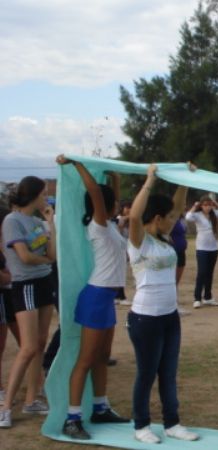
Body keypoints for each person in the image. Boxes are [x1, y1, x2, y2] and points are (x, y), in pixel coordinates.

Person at [55, 156, 130, 440]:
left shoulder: (109, 224)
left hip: (106, 298)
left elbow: (110, 194)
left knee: (102, 357)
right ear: (104, 207)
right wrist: (77, 163)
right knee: (85, 360)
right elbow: (97, 193)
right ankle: (72, 419)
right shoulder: (98, 224)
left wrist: (115, 177)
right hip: (96, 296)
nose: (118, 206)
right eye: (115, 203)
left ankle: (100, 407)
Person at [126, 163, 199, 443]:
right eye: (168, 217)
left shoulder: (164, 238)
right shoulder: (139, 241)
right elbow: (134, 217)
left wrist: (184, 179)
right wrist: (149, 180)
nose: (175, 220)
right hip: (145, 318)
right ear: (156, 218)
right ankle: (141, 425)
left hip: (169, 316)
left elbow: (178, 206)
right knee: (147, 374)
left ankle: (172, 423)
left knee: (168, 373)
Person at [0, 176, 57, 428]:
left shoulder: (37, 222)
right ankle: (5, 408)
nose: (46, 197)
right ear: (34, 194)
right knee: (28, 347)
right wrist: (46, 261)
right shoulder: (12, 221)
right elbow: (24, 257)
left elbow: (52, 253)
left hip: (45, 283)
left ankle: (33, 399)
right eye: (43, 193)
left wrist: (51, 224)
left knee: (41, 342)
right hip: (26, 286)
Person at [185, 195, 218, 308]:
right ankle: (197, 298)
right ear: (201, 205)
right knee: (202, 272)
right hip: (202, 248)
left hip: (214, 247)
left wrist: (216, 204)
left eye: (209, 205)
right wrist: (194, 206)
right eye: (205, 205)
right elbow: (188, 217)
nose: (207, 207)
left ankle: (208, 297)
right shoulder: (197, 215)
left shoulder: (214, 213)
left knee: (209, 273)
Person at [0, 207, 21, 406]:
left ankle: (35, 386)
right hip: (7, 293)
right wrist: (12, 276)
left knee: (26, 343)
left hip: (12, 294)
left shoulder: (9, 243)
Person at [114, 200, 132, 305]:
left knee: (122, 272)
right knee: (119, 272)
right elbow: (120, 224)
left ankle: (120, 295)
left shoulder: (128, 223)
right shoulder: (118, 219)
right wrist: (131, 215)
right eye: (127, 207)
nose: (129, 210)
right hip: (119, 250)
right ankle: (119, 296)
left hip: (125, 249)